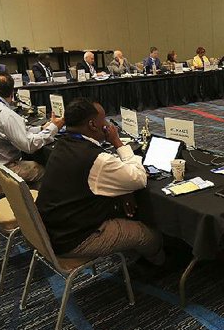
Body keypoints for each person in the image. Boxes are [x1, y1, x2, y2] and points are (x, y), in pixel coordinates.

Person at [36, 98, 165, 267]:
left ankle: (132, 252)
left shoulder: (62, 144)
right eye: (103, 120)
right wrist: (117, 142)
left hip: (51, 228)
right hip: (73, 239)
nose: (107, 125)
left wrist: (124, 190)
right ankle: (160, 268)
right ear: (93, 125)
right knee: (149, 235)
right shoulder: (96, 159)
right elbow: (139, 179)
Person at [0, 73, 62, 188]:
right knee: (43, 171)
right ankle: (34, 204)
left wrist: (41, 128)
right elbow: (29, 146)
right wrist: (53, 128)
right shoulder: (4, 114)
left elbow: (11, 131)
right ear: (12, 92)